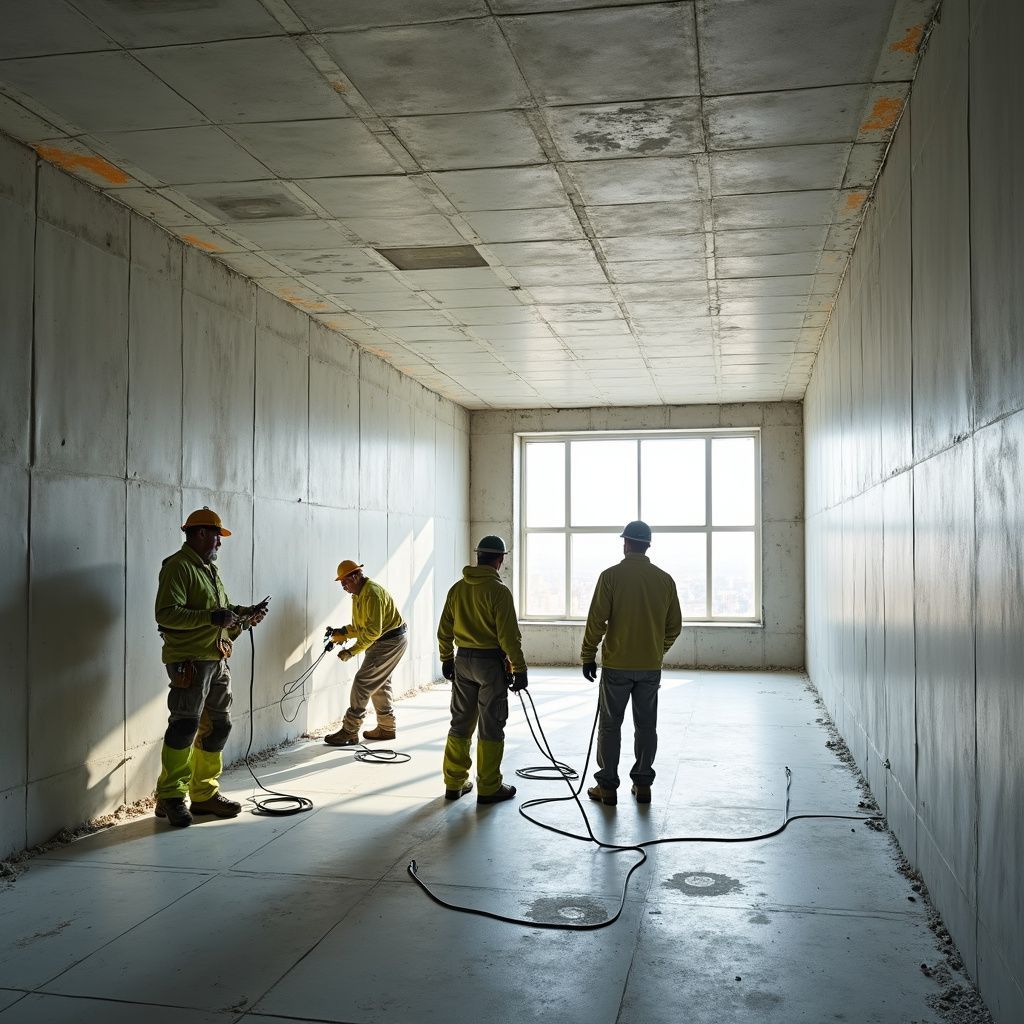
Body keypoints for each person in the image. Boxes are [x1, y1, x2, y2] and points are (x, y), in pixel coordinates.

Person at [154, 507, 270, 828]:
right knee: (184, 726)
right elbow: (166, 614)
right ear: (201, 533)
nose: (220, 542)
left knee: (219, 727)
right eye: (217, 535)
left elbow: (220, 613)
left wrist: (244, 616)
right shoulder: (177, 567)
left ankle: (204, 794)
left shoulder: (208, 570)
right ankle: (171, 796)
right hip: (189, 662)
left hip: (217, 658)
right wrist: (212, 618)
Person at [580, 520, 682, 807]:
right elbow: (674, 626)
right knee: (646, 726)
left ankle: (607, 788)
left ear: (625, 543)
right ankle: (643, 784)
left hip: (617, 667)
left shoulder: (611, 577)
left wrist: (588, 654)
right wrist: (656, 650)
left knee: (610, 726)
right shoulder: (664, 580)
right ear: (648, 545)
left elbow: (596, 621)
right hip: (650, 666)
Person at [437, 536, 527, 804]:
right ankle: (488, 786)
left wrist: (446, 658)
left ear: (478, 557)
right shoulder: (499, 592)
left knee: (460, 721)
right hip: (490, 665)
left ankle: (454, 782)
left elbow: (444, 630)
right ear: (500, 559)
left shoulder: (457, 589)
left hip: (462, 661)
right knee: (491, 724)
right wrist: (520, 668)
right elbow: (510, 637)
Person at [324, 560, 408, 747]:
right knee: (378, 683)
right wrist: (343, 632)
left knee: (362, 682)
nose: (343, 587)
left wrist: (351, 651)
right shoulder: (358, 595)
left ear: (355, 576)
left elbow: (372, 632)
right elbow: (360, 627)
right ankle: (386, 728)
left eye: (344, 582)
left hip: (389, 641)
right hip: (385, 640)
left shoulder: (372, 594)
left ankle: (350, 730)